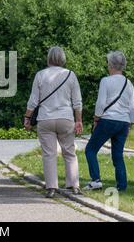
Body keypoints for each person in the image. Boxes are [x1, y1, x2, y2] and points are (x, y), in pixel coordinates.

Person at [24, 46, 83, 198]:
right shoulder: (70, 75)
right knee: (69, 153)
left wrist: (27, 118)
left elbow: (33, 101)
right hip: (66, 118)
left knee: (49, 154)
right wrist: (78, 120)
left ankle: (51, 187)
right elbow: (77, 102)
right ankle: (74, 185)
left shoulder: (40, 75)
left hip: (45, 119)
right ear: (63, 58)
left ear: (49, 58)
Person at [84, 51, 134, 192]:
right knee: (117, 155)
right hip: (124, 122)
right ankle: (122, 186)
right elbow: (132, 106)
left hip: (108, 120)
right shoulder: (128, 83)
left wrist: (96, 118)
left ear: (111, 65)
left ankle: (95, 181)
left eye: (108, 63)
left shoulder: (106, 81)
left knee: (91, 149)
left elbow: (101, 103)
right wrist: (131, 123)